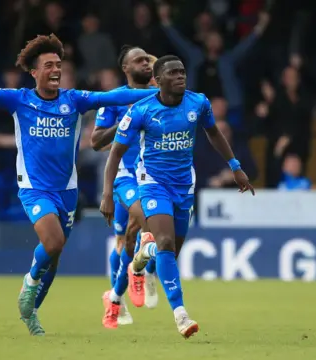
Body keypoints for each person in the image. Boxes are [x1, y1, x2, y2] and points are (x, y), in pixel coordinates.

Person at [0, 34, 157, 336]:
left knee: (54, 258)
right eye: (48, 65)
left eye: (58, 64)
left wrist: (159, 94)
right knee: (53, 243)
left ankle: (32, 313)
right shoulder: (20, 99)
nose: (56, 70)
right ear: (34, 72)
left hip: (67, 191)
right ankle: (29, 281)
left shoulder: (74, 100)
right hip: (34, 188)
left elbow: (113, 97)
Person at [100, 55, 254, 339]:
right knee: (166, 243)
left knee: (165, 253)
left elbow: (214, 133)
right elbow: (115, 153)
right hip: (153, 184)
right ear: (158, 81)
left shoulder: (198, 103)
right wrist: (107, 193)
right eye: (173, 73)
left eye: (182, 71)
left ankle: (140, 260)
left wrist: (235, 167)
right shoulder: (141, 110)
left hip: (184, 186)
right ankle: (181, 314)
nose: (181, 76)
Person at [90, 45, 158, 329]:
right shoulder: (114, 99)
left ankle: (115, 297)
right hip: (124, 176)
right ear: (125, 69)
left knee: (133, 236)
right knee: (135, 230)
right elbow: (96, 142)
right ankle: (141, 274)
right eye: (139, 60)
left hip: (152, 175)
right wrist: (123, 121)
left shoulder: (159, 96)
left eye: (147, 59)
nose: (145, 63)